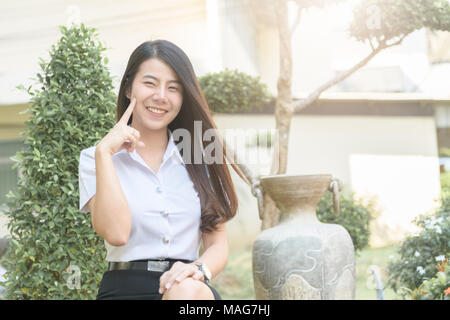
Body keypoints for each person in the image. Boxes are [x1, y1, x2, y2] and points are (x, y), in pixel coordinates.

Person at [78, 40, 248, 300]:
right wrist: (105, 153)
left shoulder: (201, 158)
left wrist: (196, 269)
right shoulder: (95, 158)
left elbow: (217, 244)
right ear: (127, 88)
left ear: (183, 97)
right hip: (123, 289)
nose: (161, 96)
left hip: (189, 287)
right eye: (150, 83)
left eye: (173, 88)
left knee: (186, 290)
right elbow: (116, 233)